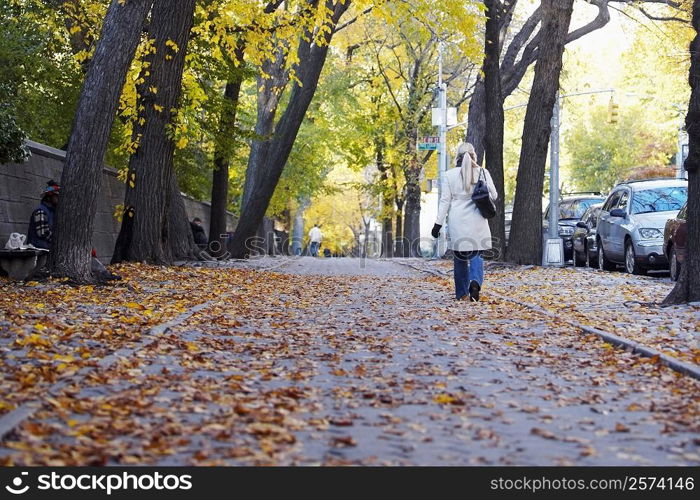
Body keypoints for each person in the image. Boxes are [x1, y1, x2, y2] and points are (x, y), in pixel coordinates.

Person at [432, 142, 497, 302]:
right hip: (477, 220)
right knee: (476, 254)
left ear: (458, 157)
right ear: (474, 155)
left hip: (457, 221)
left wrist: (437, 225)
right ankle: (475, 281)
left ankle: (461, 294)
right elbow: (494, 195)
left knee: (460, 258)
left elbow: (445, 202)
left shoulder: (449, 175)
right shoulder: (482, 172)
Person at [27, 180, 59, 250]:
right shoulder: (41, 211)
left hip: (46, 249)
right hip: (38, 250)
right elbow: (42, 233)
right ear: (49, 197)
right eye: (56, 196)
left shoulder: (52, 211)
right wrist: (58, 241)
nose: (58, 199)